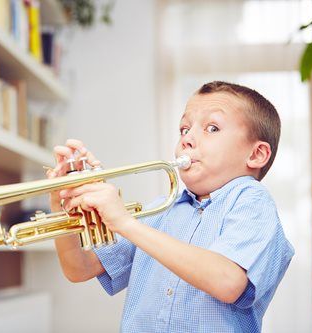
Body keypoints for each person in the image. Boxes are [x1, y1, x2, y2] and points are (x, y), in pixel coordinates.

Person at [46, 81, 294, 332]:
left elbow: (228, 281)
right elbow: (80, 269)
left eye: (212, 128)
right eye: (184, 129)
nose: (187, 139)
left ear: (256, 155)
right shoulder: (161, 210)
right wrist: (63, 204)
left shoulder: (252, 202)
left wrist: (124, 223)